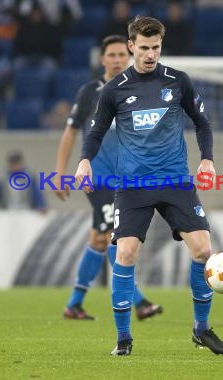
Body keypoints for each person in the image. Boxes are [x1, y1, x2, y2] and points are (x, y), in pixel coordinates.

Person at [75, 17, 223, 356]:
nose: (150, 54)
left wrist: (207, 159)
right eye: (144, 48)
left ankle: (201, 329)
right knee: (126, 253)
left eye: (155, 48)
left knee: (204, 250)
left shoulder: (178, 81)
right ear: (132, 46)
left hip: (175, 180)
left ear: (161, 45)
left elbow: (202, 121)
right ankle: (123, 339)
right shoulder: (115, 89)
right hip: (132, 185)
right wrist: (85, 160)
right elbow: (97, 131)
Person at [55, 35, 163, 321]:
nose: (116, 59)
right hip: (99, 179)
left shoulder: (140, 90)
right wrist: (59, 173)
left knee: (100, 240)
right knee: (112, 238)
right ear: (102, 59)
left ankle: (74, 303)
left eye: (120, 55)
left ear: (128, 56)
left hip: (128, 180)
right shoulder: (90, 91)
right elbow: (70, 132)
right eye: (111, 55)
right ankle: (139, 302)